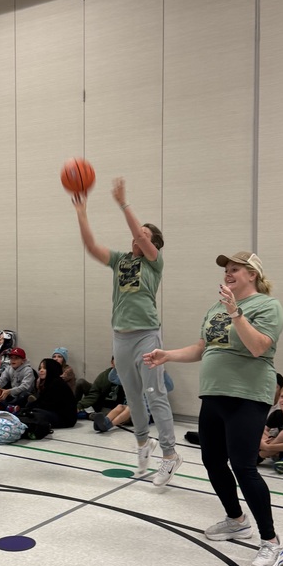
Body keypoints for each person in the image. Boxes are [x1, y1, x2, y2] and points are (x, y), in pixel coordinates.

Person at [145, 251, 283, 566]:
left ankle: (272, 543)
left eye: (235, 269)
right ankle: (236, 520)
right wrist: (167, 355)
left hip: (247, 396)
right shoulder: (215, 308)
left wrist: (236, 313)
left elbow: (258, 347)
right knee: (211, 460)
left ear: (252, 274)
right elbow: (203, 347)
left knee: (243, 466)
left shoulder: (268, 306)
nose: (228, 273)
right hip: (213, 395)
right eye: (226, 269)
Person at [72, 177, 180, 486]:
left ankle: (171, 456)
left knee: (154, 394)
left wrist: (123, 203)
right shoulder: (120, 260)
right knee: (132, 397)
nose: (136, 236)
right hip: (120, 336)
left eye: (143, 235)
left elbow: (141, 236)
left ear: (152, 245)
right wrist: (82, 213)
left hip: (147, 335)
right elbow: (92, 246)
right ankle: (143, 446)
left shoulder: (154, 263)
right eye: (136, 233)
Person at [20, 358, 77, 430]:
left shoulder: (56, 383)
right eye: (40, 368)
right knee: (29, 409)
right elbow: (41, 401)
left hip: (65, 419)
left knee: (34, 413)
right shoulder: (48, 383)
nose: (41, 370)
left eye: (44, 368)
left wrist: (30, 408)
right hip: (54, 414)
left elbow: (47, 405)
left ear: (51, 369)